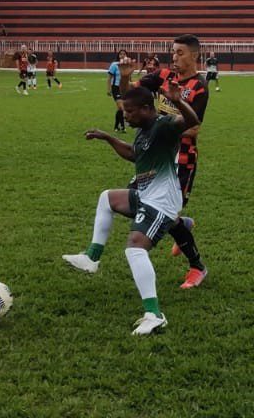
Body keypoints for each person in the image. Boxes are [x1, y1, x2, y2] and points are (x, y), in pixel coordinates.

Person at [62, 83, 200, 336]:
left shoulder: (163, 126)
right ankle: (92, 258)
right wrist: (108, 138)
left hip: (161, 202)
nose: (125, 115)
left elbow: (192, 120)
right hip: (146, 195)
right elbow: (134, 154)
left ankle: (154, 315)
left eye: (130, 111)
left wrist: (178, 101)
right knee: (107, 198)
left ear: (147, 109)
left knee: (135, 248)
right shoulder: (143, 131)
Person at [139, 35, 210, 289]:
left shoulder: (199, 86)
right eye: (173, 52)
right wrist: (124, 79)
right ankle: (183, 225)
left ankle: (197, 267)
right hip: (157, 156)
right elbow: (133, 93)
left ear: (194, 56)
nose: (174, 57)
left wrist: (162, 129)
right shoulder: (163, 75)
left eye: (180, 53)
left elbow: (194, 129)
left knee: (164, 212)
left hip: (182, 158)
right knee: (144, 203)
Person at [106, 50, 130, 132]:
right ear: (118, 56)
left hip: (124, 88)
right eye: (121, 54)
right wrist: (108, 89)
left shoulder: (127, 65)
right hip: (116, 88)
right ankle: (123, 127)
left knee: (120, 108)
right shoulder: (114, 65)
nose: (122, 55)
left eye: (124, 54)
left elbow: (128, 77)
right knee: (121, 107)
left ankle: (116, 126)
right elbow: (109, 78)